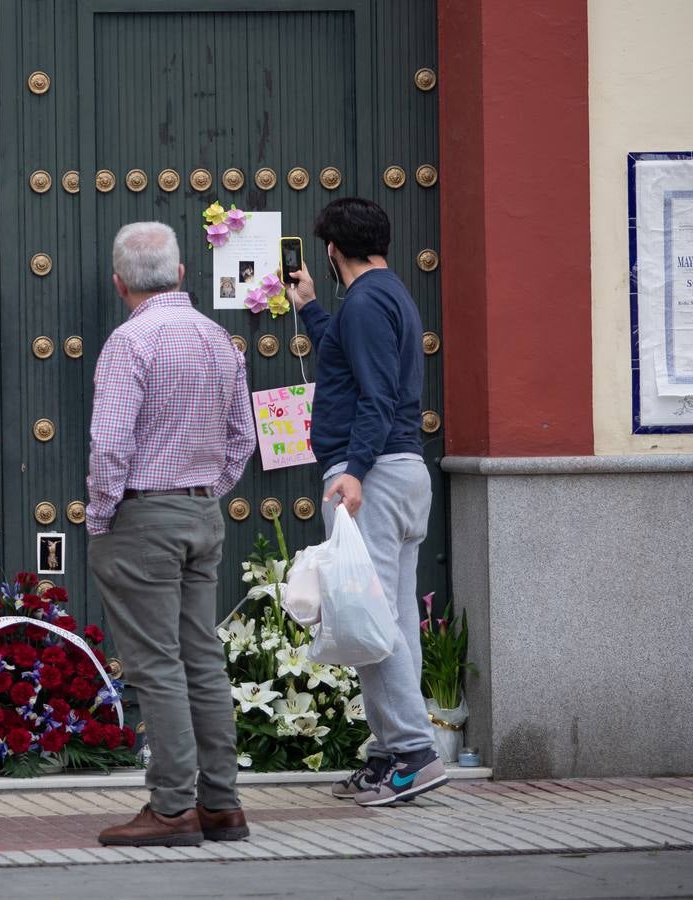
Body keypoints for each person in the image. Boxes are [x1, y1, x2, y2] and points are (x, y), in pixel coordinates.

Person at [86, 222, 254, 846]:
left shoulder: (130, 343)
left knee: (156, 665)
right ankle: (221, 805)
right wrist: (207, 493)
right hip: (199, 516)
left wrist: (103, 515)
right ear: (183, 274)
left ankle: (172, 806)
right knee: (202, 661)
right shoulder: (218, 340)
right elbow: (244, 437)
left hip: (143, 517)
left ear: (119, 282)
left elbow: (111, 442)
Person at [287, 197, 446, 807]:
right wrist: (308, 308)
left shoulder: (367, 302)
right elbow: (347, 360)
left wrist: (352, 471)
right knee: (395, 617)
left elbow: (375, 397)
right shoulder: (385, 296)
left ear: (331, 251)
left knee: (366, 617)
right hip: (402, 473)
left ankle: (412, 752)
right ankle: (387, 754)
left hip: (372, 479)